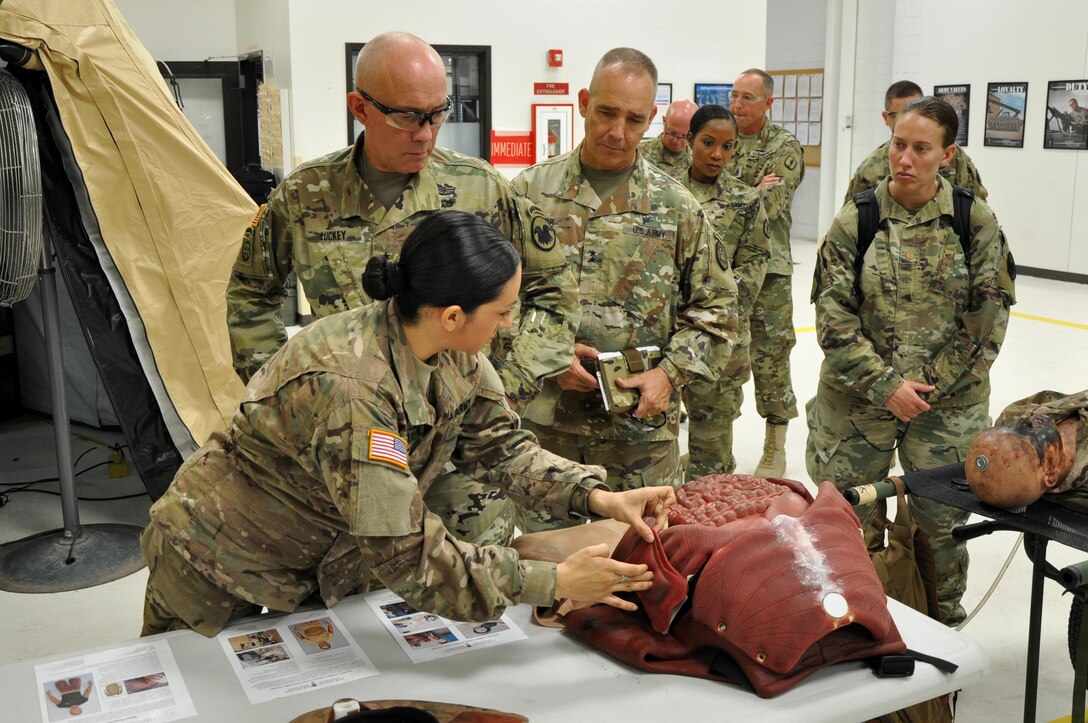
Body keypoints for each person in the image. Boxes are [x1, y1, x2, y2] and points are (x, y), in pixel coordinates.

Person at [141, 211, 675, 638]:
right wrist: (552, 581)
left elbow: (500, 448)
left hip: (315, 562)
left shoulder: (453, 352)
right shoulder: (353, 389)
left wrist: (599, 498)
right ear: (452, 314)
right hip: (216, 560)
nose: (510, 325)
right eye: (504, 311)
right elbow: (406, 554)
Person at [225, 31, 581, 549]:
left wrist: (509, 382)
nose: (427, 134)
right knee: (357, 599)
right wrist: (290, 398)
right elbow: (249, 295)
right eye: (408, 116)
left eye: (439, 113)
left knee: (474, 592)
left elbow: (555, 287)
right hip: (348, 449)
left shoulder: (480, 189)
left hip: (460, 459)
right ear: (359, 108)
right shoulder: (304, 196)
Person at [806, 96, 1016, 626]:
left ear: (947, 154)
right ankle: (853, 625)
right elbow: (832, 318)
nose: (905, 159)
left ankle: (942, 625)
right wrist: (885, 387)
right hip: (857, 401)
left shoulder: (975, 221)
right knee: (847, 518)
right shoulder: (858, 217)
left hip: (945, 407)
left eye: (921, 149)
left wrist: (925, 386)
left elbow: (986, 322)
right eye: (899, 144)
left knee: (941, 527)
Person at [510, 48, 739, 532]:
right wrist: (546, 352)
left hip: (639, 435)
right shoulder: (527, 193)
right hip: (545, 434)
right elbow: (488, 303)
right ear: (584, 102)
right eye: (607, 113)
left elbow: (717, 311)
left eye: (634, 120)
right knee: (551, 577)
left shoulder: (676, 206)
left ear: (651, 119)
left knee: (640, 570)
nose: (618, 131)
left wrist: (671, 375)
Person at [678, 105, 771, 477]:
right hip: (663, 332)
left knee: (712, 450)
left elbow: (754, 265)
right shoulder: (664, 191)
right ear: (689, 141)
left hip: (719, 340)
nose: (717, 154)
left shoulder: (744, 200)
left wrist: (713, 311)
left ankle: (707, 531)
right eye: (708, 143)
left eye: (727, 146)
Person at [724, 68, 805, 477]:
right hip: (721, 267)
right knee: (720, 354)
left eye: (747, 98)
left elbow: (768, 206)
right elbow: (696, 189)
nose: (737, 105)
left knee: (771, 356)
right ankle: (716, 442)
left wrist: (727, 192)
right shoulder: (720, 135)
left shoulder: (784, 146)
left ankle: (775, 447)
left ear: (768, 103)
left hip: (769, 269)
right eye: (734, 96)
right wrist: (750, 188)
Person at [844, 80, 988, 203]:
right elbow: (852, 219)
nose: (909, 120)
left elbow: (977, 206)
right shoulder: (870, 168)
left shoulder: (955, 158)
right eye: (898, 114)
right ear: (886, 118)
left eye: (917, 111)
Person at [965, 389, 1088, 510]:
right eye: (1033, 437)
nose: (1025, 418)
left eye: (1014, 426)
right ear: (1050, 474)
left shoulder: (1010, 418)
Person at [638, 99, 698, 179]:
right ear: (664, 121)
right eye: (672, 133)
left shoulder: (697, 161)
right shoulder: (640, 153)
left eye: (684, 136)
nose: (677, 141)